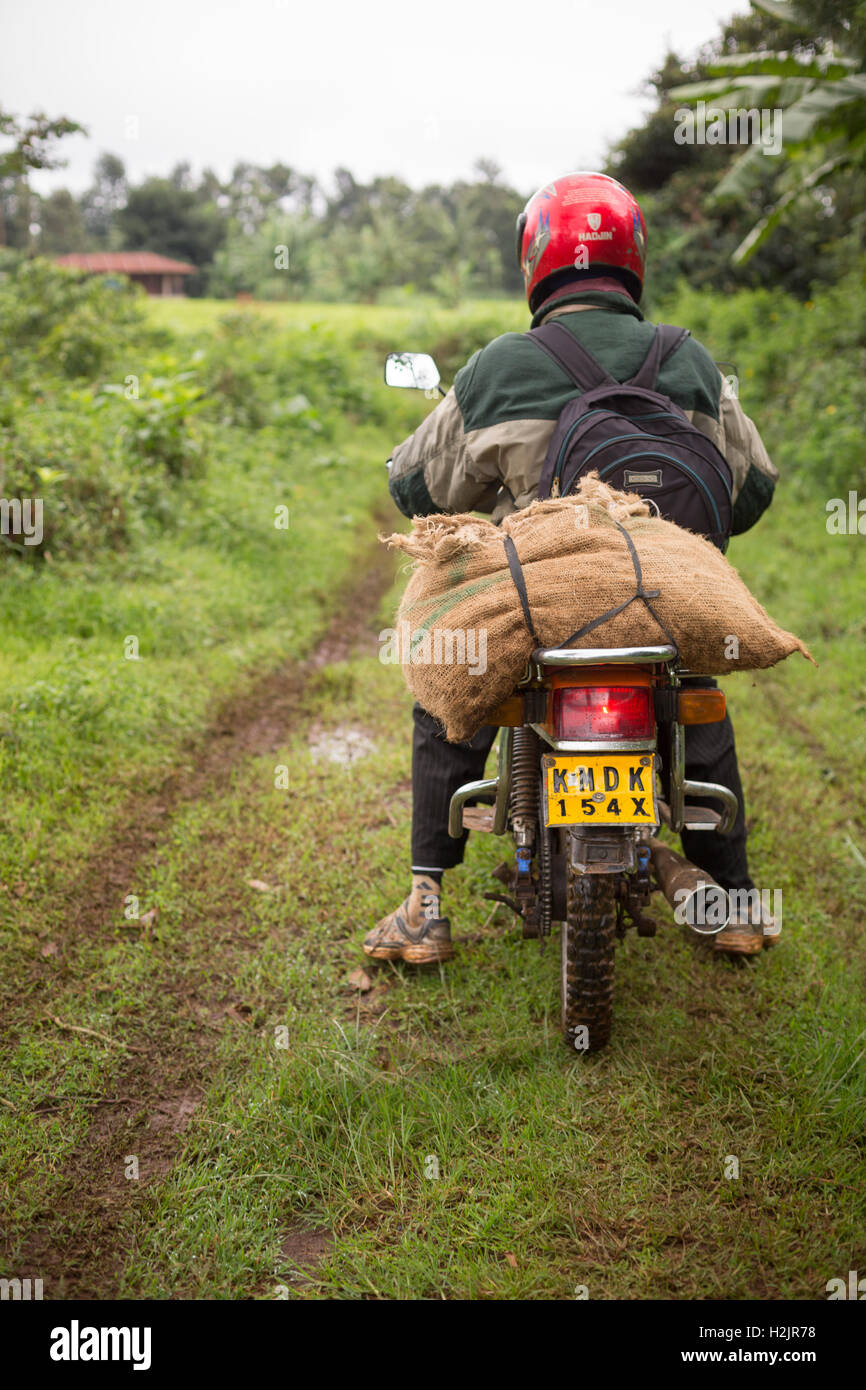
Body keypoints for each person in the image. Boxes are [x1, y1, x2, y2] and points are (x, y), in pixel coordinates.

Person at [363, 171, 779, 965]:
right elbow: (751, 492)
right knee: (696, 692)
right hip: (659, 605)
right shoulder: (690, 362)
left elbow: (420, 489)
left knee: (453, 672)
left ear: (536, 262)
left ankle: (425, 903)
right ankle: (736, 902)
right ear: (635, 260)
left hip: (542, 608)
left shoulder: (501, 367)